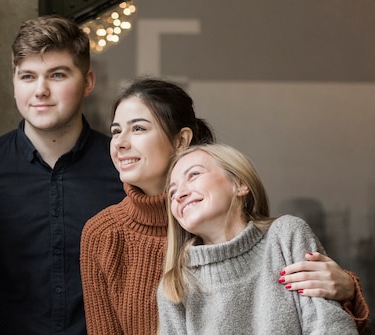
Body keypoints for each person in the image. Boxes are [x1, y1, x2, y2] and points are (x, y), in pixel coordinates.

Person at [79, 78, 369, 334]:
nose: (120, 143)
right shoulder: (104, 234)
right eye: (115, 131)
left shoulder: (226, 214)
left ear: (181, 140)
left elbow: (316, 310)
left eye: (138, 129)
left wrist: (347, 289)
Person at [0, 15, 126, 334]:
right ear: (14, 82)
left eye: (57, 75)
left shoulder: (125, 168)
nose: (41, 90)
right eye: (28, 76)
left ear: (88, 82)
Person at [158, 144, 360, 334]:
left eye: (194, 175)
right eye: (172, 192)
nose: (179, 195)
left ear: (240, 184)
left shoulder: (285, 235)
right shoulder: (174, 285)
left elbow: (329, 325)